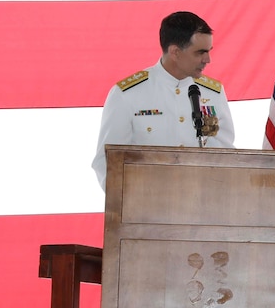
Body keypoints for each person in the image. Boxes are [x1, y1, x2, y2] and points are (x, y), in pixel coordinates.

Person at [91, 10, 235, 188]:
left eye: (209, 51)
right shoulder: (127, 94)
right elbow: (107, 163)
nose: (208, 59)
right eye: (200, 53)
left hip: (202, 208)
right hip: (146, 209)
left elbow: (226, 158)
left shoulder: (214, 92)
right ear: (175, 52)